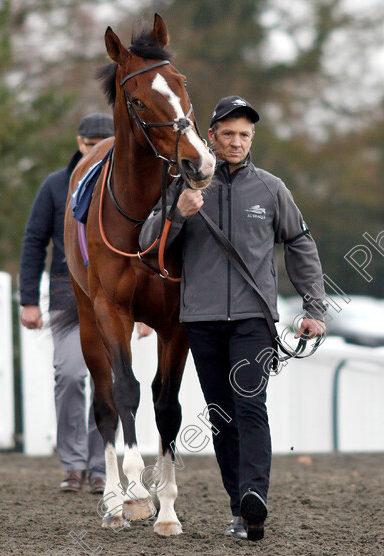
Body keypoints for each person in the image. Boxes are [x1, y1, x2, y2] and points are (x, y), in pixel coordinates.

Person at [139, 96, 328, 541]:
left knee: (250, 405)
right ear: (211, 137)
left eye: (244, 134)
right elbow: (149, 244)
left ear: (252, 138)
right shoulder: (183, 189)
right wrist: (179, 216)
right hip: (201, 319)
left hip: (253, 318)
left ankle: (254, 498)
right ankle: (238, 508)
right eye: (228, 134)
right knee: (221, 415)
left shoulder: (271, 189)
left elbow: (300, 245)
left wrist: (315, 308)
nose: (236, 142)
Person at [20, 113, 154, 494]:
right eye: (89, 143)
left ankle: (101, 466)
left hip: (117, 294)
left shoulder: (129, 187)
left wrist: (147, 311)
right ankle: (73, 463)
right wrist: (29, 299)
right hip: (70, 290)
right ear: (79, 143)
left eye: (103, 141)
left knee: (111, 379)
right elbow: (34, 242)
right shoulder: (55, 186)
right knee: (69, 375)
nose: (96, 149)